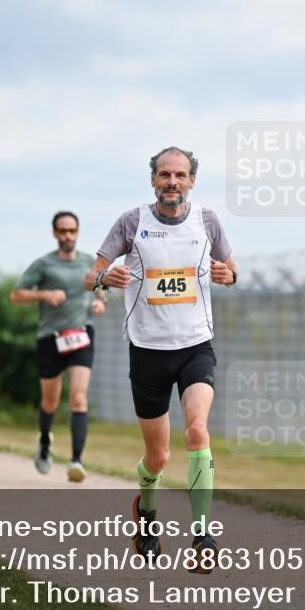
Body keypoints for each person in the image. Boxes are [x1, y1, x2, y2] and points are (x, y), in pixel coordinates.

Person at [84, 146, 238, 573]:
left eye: (181, 175)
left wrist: (230, 274)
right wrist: (103, 277)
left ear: (192, 181)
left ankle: (203, 536)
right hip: (148, 351)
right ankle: (147, 514)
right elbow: (89, 275)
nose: (173, 182)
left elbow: (231, 267)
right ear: (153, 180)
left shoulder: (207, 221)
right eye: (165, 175)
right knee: (158, 457)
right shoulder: (132, 222)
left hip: (194, 346)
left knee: (198, 429)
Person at [10, 211, 107, 482]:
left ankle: (76, 460)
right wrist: (45, 294)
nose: (67, 236)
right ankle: (44, 441)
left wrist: (101, 301)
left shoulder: (89, 262)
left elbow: (101, 287)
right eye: (62, 231)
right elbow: (16, 294)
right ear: (54, 233)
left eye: (72, 231)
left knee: (78, 398)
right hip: (50, 338)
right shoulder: (44, 265)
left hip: (81, 335)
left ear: (77, 232)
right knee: (50, 401)